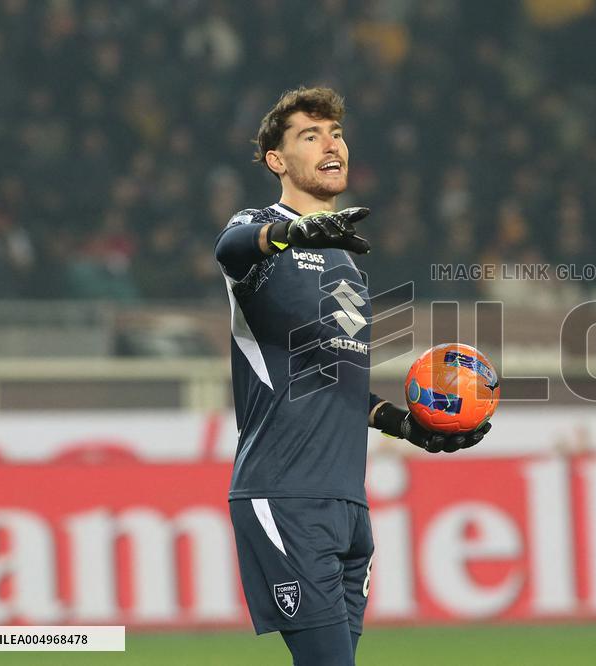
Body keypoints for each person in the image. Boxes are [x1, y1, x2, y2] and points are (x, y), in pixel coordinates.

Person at [213, 86, 491, 665]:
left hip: (345, 503)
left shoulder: (346, 259)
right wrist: (291, 234)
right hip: (285, 493)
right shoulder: (262, 227)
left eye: (335, 132)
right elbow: (230, 248)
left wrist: (405, 426)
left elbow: (332, 378)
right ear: (277, 160)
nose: (330, 143)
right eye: (309, 135)